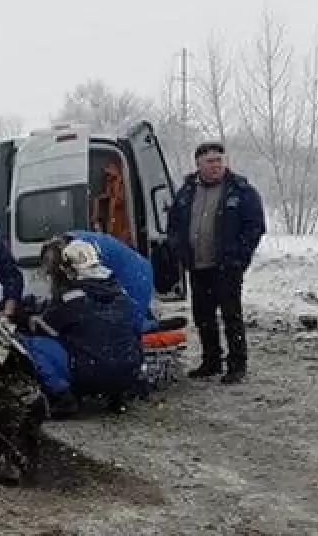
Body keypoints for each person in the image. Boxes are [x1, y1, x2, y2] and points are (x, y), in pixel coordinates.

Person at [167, 141, 266, 384]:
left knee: (231, 314)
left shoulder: (240, 190)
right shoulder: (187, 191)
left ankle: (237, 364)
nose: (215, 166)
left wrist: (239, 256)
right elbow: (174, 225)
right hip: (198, 265)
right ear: (198, 164)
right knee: (203, 315)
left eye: (219, 160)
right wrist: (178, 249)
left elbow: (255, 226)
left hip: (226, 266)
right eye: (210, 161)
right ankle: (211, 360)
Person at [21, 239, 143, 417]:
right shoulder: (121, 293)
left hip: (89, 373)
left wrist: (32, 318)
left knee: (31, 344)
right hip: (128, 373)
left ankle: (63, 397)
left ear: (68, 269)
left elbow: (46, 326)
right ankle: (117, 395)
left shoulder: (71, 297)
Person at [57, 229, 157, 334]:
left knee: (130, 327)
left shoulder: (85, 251)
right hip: (135, 269)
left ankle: (152, 327)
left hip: (136, 276)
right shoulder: (76, 243)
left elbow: (92, 284)